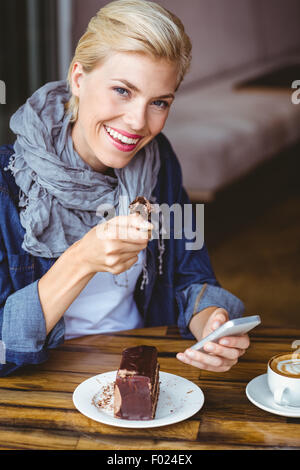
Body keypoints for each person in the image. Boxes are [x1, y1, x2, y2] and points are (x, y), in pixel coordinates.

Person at [0, 0, 249, 377]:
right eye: (122, 90)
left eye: (159, 102)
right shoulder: (7, 184)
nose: (137, 123)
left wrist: (211, 322)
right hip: (43, 386)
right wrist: (81, 260)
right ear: (79, 78)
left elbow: (190, 274)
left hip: (142, 369)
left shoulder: (160, 162)